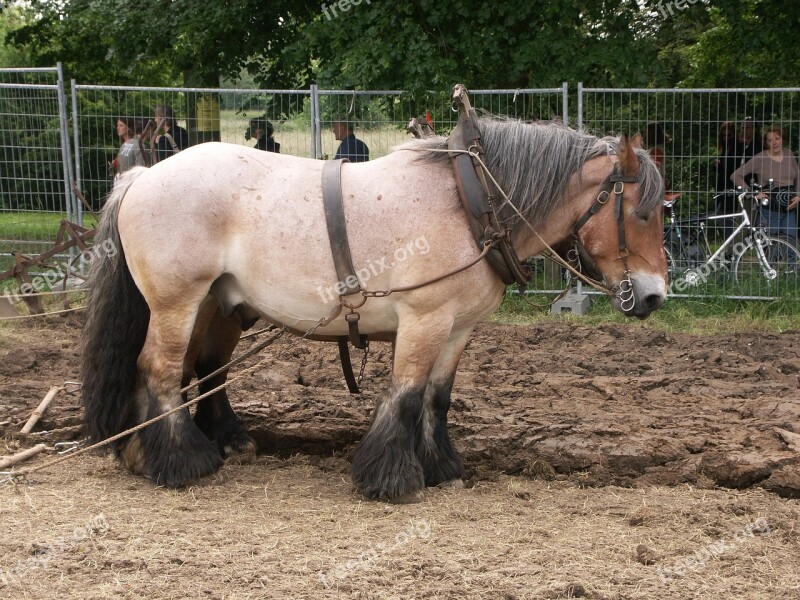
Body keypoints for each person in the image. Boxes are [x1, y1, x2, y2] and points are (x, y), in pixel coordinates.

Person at [731, 125, 800, 244]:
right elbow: (736, 175)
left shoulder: (789, 153)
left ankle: (791, 264)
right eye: (770, 140)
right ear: (766, 143)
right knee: (769, 246)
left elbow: (798, 176)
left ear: (782, 139)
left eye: (777, 138)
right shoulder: (760, 158)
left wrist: (798, 195)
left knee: (791, 244)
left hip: (789, 209)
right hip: (769, 211)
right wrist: (752, 193)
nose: (774, 142)